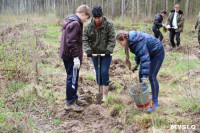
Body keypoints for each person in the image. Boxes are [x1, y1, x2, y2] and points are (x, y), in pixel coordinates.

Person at [115, 30, 165, 113]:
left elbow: (145, 58)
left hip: (157, 52)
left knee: (151, 76)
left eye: (121, 43)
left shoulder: (137, 41)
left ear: (124, 39)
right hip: (149, 53)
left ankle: (155, 102)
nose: (121, 45)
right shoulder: (131, 41)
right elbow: (139, 53)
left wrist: (145, 76)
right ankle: (143, 99)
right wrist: (137, 64)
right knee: (140, 74)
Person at [59, 5, 90, 112]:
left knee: (73, 77)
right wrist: (76, 57)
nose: (86, 20)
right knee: (72, 78)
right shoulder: (76, 23)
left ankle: (74, 97)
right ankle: (69, 103)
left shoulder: (70, 20)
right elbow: (71, 42)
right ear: (83, 14)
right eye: (86, 17)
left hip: (67, 54)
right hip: (71, 56)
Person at [83, 6, 115, 101]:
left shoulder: (108, 24)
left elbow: (112, 38)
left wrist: (109, 50)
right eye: (95, 18)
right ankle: (100, 93)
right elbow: (85, 39)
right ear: (93, 17)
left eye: (99, 18)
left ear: (102, 16)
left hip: (106, 53)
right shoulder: (88, 26)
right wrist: (88, 50)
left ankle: (105, 95)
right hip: (94, 53)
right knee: (98, 73)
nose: (97, 20)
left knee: (104, 72)